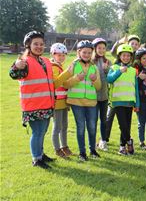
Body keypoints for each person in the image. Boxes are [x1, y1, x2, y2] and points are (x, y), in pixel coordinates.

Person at [9, 31, 57, 168]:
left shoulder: (45, 61)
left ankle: (40, 154)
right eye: (36, 44)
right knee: (37, 132)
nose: (39, 46)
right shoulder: (24, 62)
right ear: (28, 45)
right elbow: (14, 73)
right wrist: (16, 66)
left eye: (42, 44)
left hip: (47, 104)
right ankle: (36, 159)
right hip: (33, 106)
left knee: (43, 131)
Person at [64, 40, 102, 161]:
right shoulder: (73, 65)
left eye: (89, 53)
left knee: (92, 127)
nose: (87, 55)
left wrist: (95, 80)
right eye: (84, 52)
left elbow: (98, 87)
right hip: (77, 103)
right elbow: (65, 84)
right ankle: (82, 153)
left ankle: (93, 151)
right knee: (80, 127)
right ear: (79, 52)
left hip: (91, 103)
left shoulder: (94, 67)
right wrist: (76, 79)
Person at [105, 34, 141, 144]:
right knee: (123, 125)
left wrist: (137, 104)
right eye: (124, 55)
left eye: (128, 56)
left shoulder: (133, 70)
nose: (126, 58)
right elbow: (109, 79)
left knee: (127, 124)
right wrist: (119, 71)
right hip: (117, 102)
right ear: (119, 56)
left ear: (131, 57)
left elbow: (135, 88)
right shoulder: (114, 68)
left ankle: (123, 145)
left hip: (129, 102)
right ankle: (129, 141)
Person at [49, 43, 74, 157]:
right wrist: (67, 73)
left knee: (65, 126)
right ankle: (57, 148)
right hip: (56, 102)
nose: (61, 57)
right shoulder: (53, 67)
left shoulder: (60, 67)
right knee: (57, 126)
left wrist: (75, 78)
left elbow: (65, 84)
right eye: (59, 55)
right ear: (53, 55)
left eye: (63, 55)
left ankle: (64, 146)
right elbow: (55, 83)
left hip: (63, 101)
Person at [92, 38, 112, 151]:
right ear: (95, 49)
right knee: (93, 120)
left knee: (103, 120)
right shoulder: (91, 62)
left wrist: (107, 70)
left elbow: (111, 79)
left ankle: (103, 141)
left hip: (104, 96)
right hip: (93, 96)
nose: (101, 50)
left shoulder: (108, 62)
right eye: (99, 48)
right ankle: (93, 141)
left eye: (103, 48)